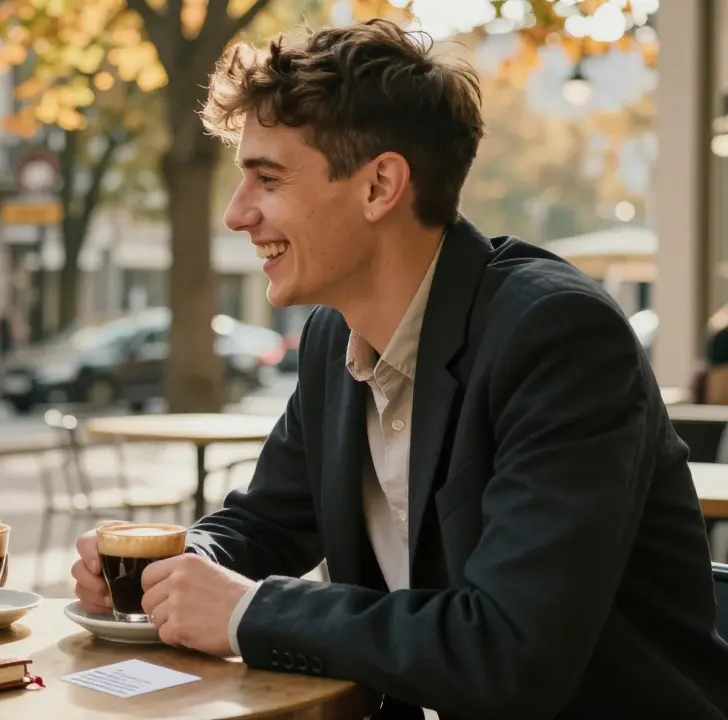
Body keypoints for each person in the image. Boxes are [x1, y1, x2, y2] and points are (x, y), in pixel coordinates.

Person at [71, 20, 728, 719]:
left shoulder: (557, 338)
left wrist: (247, 611)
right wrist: (164, 567)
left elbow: (510, 651)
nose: (237, 215)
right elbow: (264, 526)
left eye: (267, 178)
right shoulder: (335, 336)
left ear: (380, 184)